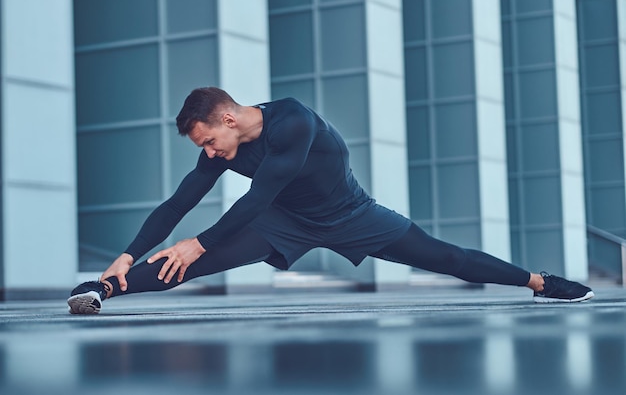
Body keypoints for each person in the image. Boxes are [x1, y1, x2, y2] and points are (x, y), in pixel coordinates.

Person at [67, 87, 594, 314]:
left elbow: (259, 195)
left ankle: (540, 282)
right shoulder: (220, 150)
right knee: (189, 264)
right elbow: (177, 202)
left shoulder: (293, 122)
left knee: (446, 258)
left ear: (227, 118)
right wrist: (132, 252)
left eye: (208, 141)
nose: (208, 153)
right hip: (284, 222)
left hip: (352, 215)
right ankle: (101, 289)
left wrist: (197, 242)